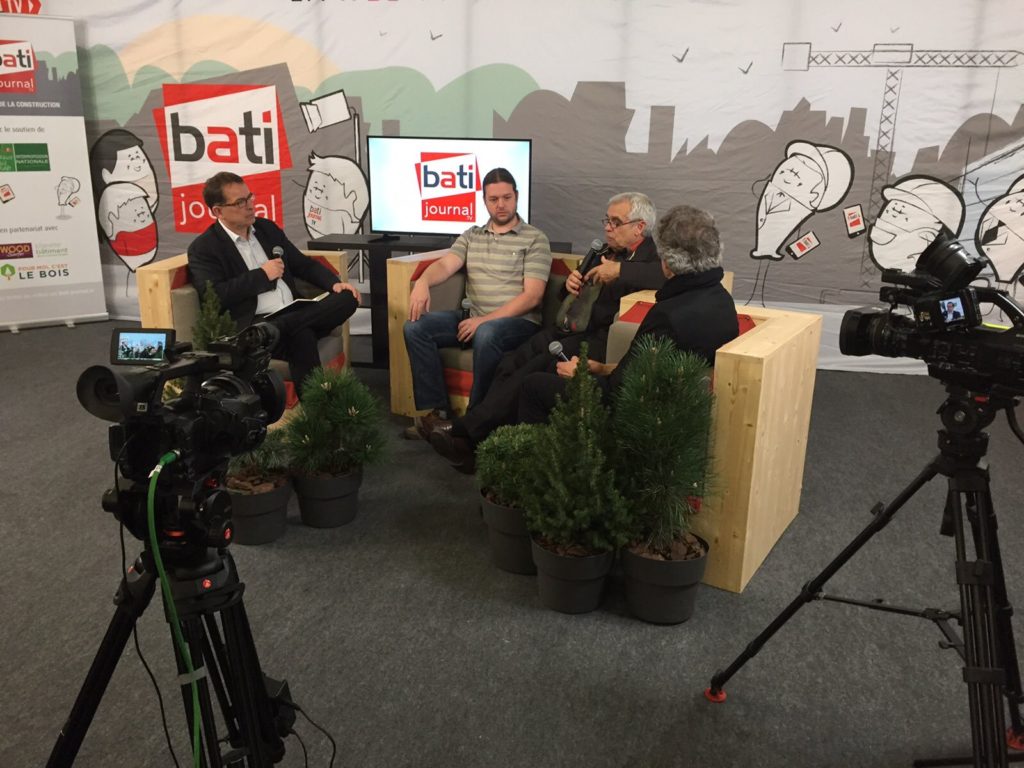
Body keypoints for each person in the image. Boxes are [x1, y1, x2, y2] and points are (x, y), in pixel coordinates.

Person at [427, 192, 665, 470]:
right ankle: (484, 442)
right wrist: (569, 284)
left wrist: (620, 271)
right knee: (509, 362)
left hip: (597, 338)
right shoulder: (601, 252)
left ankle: (465, 435)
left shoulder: (655, 259)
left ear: (639, 227)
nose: (608, 228)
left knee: (535, 369)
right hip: (565, 328)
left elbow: (663, 277)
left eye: (616, 222)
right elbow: (568, 295)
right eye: (607, 220)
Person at [516, 204, 739, 425]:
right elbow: (649, 372)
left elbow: (618, 395)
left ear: (667, 262)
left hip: (640, 422)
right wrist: (603, 369)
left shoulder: (667, 316)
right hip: (676, 413)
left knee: (533, 386)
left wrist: (580, 378)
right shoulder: (722, 300)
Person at [403, 167, 552, 435]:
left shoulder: (535, 239)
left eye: (506, 197)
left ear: (517, 197)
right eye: (493, 199)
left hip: (518, 323)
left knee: (487, 332)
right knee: (415, 327)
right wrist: (423, 282)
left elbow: (533, 296)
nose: (501, 204)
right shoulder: (472, 235)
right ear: (484, 201)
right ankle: (436, 415)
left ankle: (475, 422)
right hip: (474, 318)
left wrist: (483, 321)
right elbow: (445, 265)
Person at [187, 171, 360, 398]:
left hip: (290, 313)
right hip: (252, 325)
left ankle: (279, 328)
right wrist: (262, 275)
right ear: (218, 211)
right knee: (302, 336)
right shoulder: (204, 248)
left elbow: (302, 265)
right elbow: (216, 296)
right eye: (240, 202)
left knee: (347, 297)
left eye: (250, 197)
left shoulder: (267, 229)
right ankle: (318, 409)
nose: (250, 206)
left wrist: (334, 284)